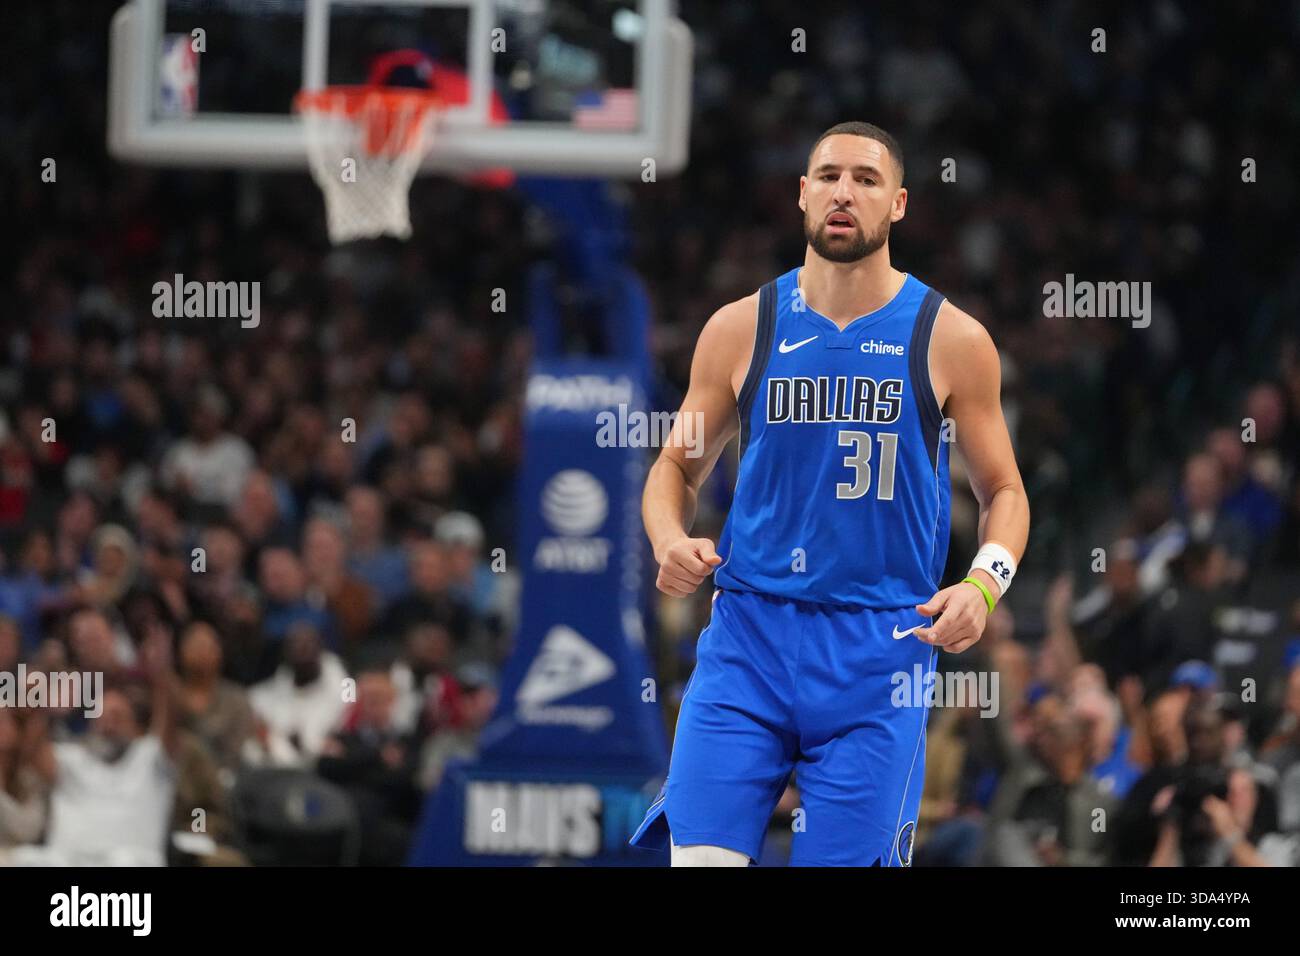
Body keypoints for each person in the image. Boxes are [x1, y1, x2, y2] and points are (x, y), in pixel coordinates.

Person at [629, 122, 1030, 866]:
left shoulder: (952, 338)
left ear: (899, 204)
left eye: (867, 179)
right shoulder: (741, 326)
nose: (845, 191)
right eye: (830, 175)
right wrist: (666, 538)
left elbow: (1005, 489)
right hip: (750, 636)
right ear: (803, 194)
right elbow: (673, 470)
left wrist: (986, 583)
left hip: (879, 649)